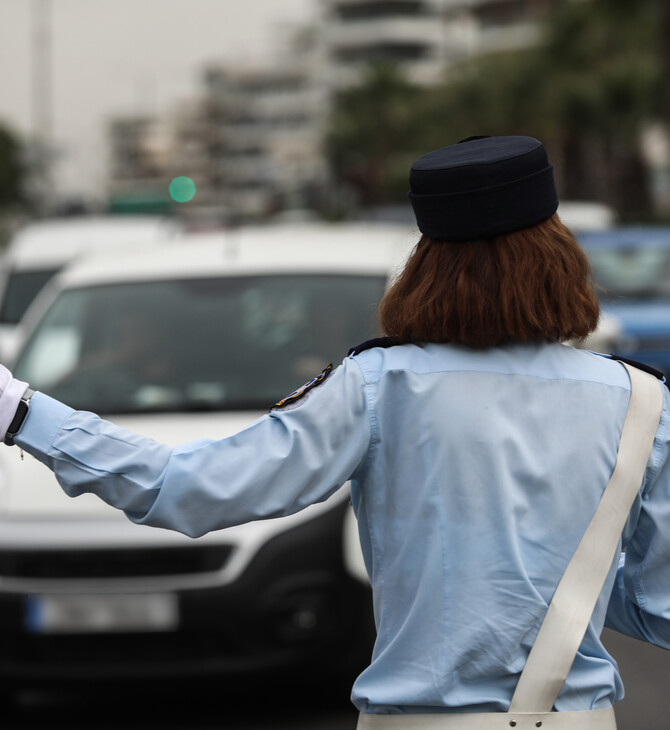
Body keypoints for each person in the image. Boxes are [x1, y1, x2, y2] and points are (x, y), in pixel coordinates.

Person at [1, 135, 669, 729]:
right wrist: (555, 576)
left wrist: (22, 409)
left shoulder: (380, 387)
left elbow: (186, 489)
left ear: (426, 264)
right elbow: (656, 607)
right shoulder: (641, 400)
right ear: (559, 256)